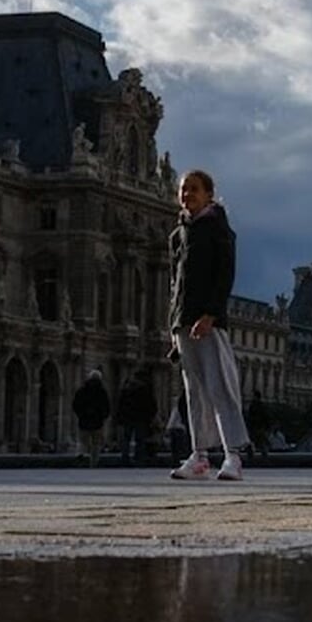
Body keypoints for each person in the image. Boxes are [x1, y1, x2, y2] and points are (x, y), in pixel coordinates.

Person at [167, 169, 250, 481]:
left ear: (209, 195)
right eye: (183, 189)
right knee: (194, 392)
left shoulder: (218, 228)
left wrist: (210, 315)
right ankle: (199, 456)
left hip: (208, 321)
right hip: (183, 322)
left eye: (194, 189)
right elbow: (174, 285)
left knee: (220, 387)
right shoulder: (178, 234)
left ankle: (233, 456)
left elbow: (225, 274)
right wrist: (173, 327)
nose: (187, 194)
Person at [115, 374, 157, 463]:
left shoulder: (125, 391)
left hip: (127, 418)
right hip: (140, 419)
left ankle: (125, 457)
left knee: (126, 439)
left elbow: (120, 406)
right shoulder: (145, 391)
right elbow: (151, 405)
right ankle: (139, 458)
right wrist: (150, 417)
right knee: (140, 439)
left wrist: (119, 418)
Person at [73, 370, 111, 467]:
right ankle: (94, 462)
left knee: (82, 440)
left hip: (84, 420)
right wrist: (103, 416)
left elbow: (75, 404)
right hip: (97, 422)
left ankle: (80, 454)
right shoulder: (102, 391)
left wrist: (80, 414)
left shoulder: (82, 390)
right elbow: (106, 406)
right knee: (96, 443)